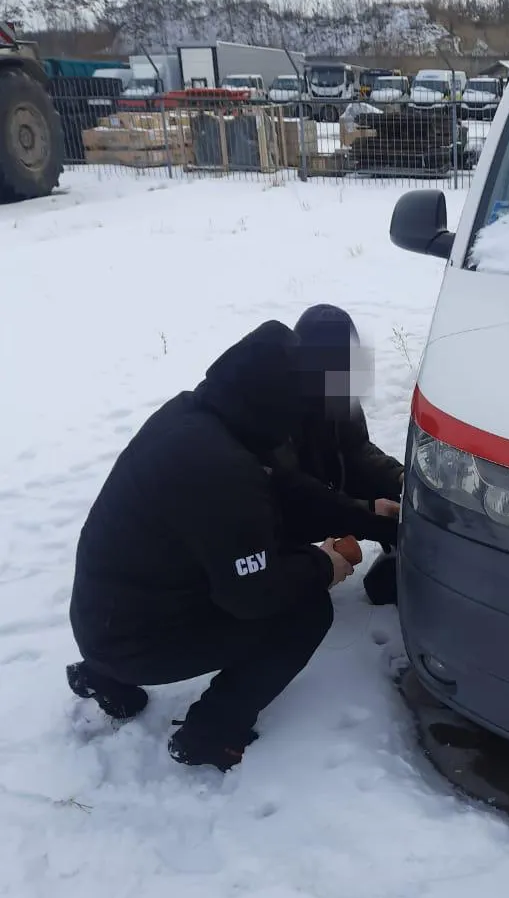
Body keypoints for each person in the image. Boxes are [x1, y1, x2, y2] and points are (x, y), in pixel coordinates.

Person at [66, 320, 356, 772]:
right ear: (274, 406)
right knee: (305, 613)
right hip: (132, 638)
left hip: (103, 614)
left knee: (249, 560)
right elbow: (253, 596)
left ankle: (105, 674)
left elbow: (287, 489)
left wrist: (363, 514)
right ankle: (212, 734)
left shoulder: (199, 416)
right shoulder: (221, 470)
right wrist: (324, 565)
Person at [268, 304, 403, 604]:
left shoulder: (338, 385)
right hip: (278, 510)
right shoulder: (275, 408)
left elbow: (357, 449)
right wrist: (363, 511)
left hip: (318, 488)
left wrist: (400, 477)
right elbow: (291, 494)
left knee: (398, 496)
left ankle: (405, 561)